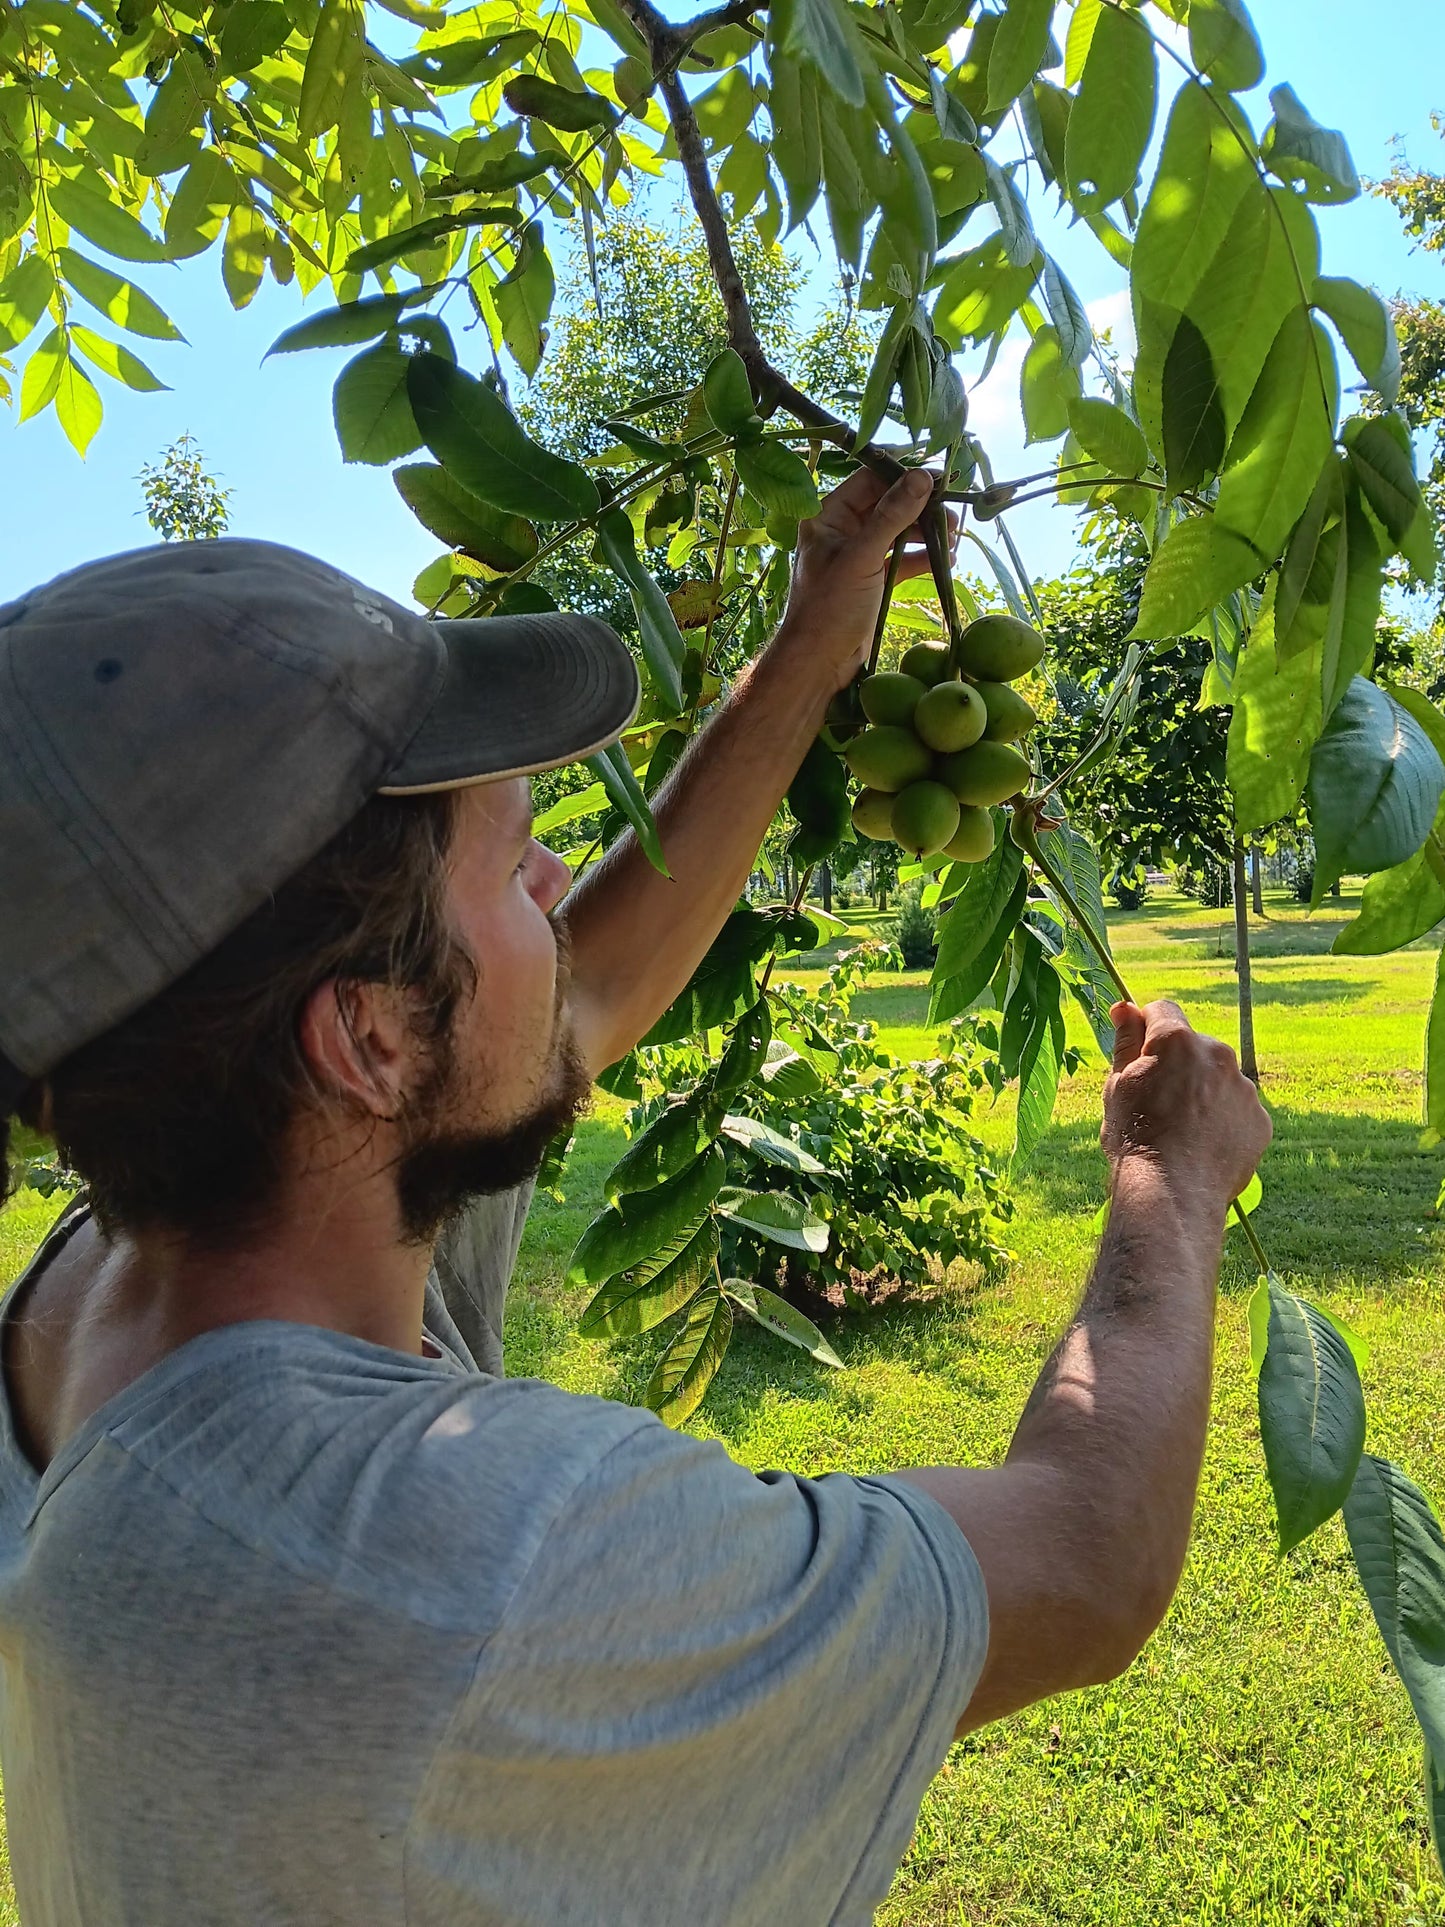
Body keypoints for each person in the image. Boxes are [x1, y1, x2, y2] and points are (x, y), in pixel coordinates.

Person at [0, 468, 1270, 1926]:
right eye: (511, 858)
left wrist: (815, 644)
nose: (557, 879)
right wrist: (1164, 1185)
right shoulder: (451, 1545)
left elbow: (578, 993)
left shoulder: (109, 1281)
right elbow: (1083, 1566)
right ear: (369, 1037)